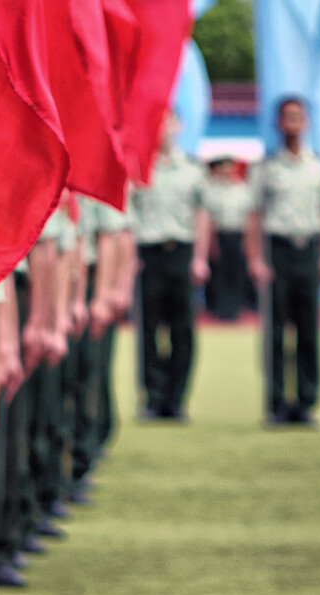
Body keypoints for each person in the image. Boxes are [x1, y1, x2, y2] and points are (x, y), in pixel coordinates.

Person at [246, 96, 320, 426]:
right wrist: (255, 258)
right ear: (279, 124)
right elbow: (254, 216)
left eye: (299, 117)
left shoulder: (318, 166)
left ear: (306, 123)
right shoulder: (266, 168)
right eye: (287, 118)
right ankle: (277, 401)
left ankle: (306, 402)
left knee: (308, 329)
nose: (293, 124)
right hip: (277, 251)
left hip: (308, 249)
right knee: (276, 330)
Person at [130, 112, 212, 420]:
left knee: (183, 329)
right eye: (158, 121)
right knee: (149, 328)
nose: (163, 128)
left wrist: (200, 258)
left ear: (180, 126)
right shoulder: (139, 167)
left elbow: (202, 216)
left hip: (181, 251)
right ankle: (153, 397)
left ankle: (176, 398)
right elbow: (130, 213)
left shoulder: (192, 169)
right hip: (148, 253)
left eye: (169, 121)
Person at [204, 157, 254, 320]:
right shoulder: (213, 189)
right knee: (220, 274)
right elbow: (209, 217)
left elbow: (249, 216)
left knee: (237, 273)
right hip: (220, 235)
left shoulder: (242, 189)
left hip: (239, 235)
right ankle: (221, 309)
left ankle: (237, 308)